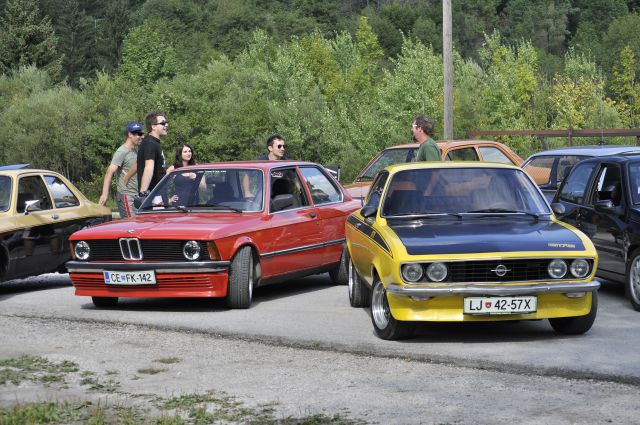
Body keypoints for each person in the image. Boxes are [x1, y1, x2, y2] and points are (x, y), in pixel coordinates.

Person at [98, 121, 144, 218]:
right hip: (126, 196)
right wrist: (104, 194)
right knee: (130, 226)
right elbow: (109, 172)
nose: (141, 136)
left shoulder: (135, 150)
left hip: (136, 195)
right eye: (139, 134)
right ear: (130, 134)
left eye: (142, 134)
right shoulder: (121, 151)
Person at [137, 112, 168, 196]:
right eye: (163, 123)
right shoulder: (150, 143)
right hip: (153, 196)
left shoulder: (154, 142)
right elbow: (148, 168)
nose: (166, 125)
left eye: (166, 122)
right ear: (153, 126)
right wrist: (143, 195)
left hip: (159, 194)